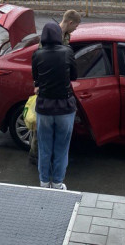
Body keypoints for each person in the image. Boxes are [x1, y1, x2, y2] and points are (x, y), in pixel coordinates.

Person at [29, 9, 81, 165]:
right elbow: (41, 61)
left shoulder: (66, 36)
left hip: (59, 86)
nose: (75, 29)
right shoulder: (49, 35)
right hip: (47, 86)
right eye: (76, 26)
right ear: (70, 22)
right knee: (41, 128)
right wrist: (38, 84)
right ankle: (35, 156)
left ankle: (53, 157)